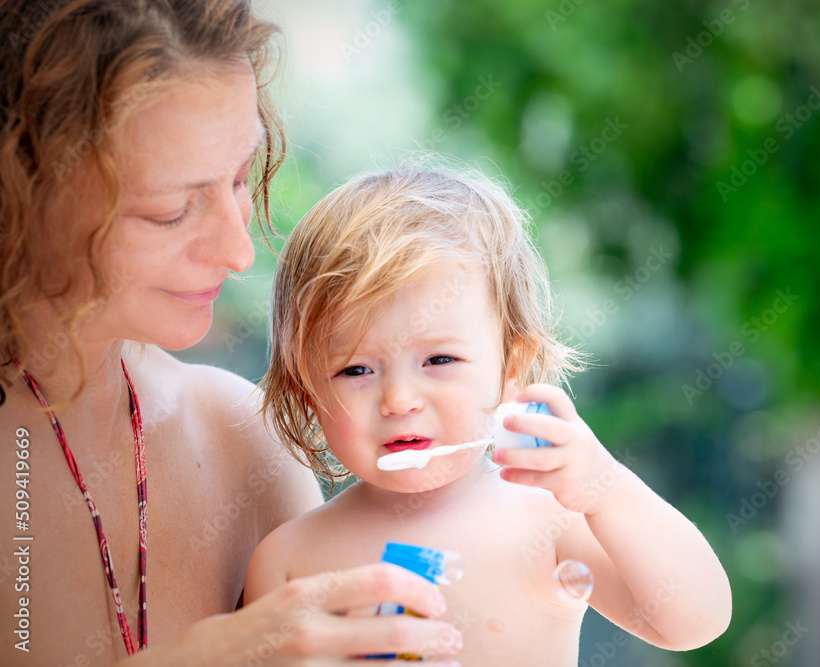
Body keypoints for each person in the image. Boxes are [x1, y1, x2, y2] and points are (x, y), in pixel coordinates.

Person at [0, 1, 463, 665]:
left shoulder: (247, 444)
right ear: (20, 193)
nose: (239, 251)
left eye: (242, 176)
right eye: (170, 210)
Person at [246, 164, 733, 664]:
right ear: (308, 393)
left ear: (511, 369)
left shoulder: (548, 521)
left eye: (439, 360)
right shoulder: (288, 562)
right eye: (356, 369)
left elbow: (696, 622)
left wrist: (605, 488)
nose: (400, 399)